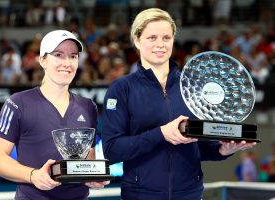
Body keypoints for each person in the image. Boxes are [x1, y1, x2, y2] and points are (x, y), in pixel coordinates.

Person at [101, 8, 256, 200]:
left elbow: (198, 146)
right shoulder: (122, 88)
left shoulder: (193, 87)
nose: (160, 44)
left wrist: (222, 150)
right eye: (152, 38)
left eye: (166, 38)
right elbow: (112, 150)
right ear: (137, 40)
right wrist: (161, 134)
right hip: (140, 195)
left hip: (189, 194)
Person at [0, 30, 109, 200]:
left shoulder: (88, 107)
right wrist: (34, 175)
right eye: (58, 55)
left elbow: (86, 161)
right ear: (42, 60)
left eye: (73, 56)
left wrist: (93, 177)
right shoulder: (18, 103)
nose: (67, 63)